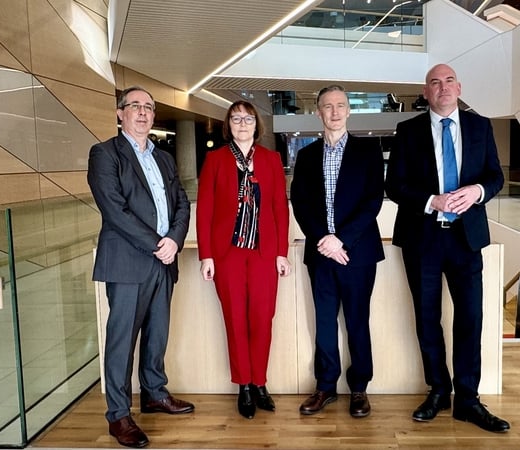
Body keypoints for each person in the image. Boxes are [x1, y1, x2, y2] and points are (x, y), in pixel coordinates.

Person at [385, 64, 509, 433]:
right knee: (426, 319)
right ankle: (438, 390)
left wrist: (477, 191)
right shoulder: (407, 131)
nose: (443, 87)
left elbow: (495, 176)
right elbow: (395, 186)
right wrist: (430, 200)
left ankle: (468, 400)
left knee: (470, 317)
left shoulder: (480, 126)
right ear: (426, 92)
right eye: (435, 83)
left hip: (466, 239)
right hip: (423, 237)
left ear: (459, 87)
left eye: (449, 81)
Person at [88, 86, 193, 448]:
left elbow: (181, 203)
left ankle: (154, 393)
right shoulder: (105, 154)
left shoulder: (163, 157)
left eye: (149, 107)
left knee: (157, 333)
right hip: (129, 261)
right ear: (120, 114)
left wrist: (174, 241)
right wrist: (156, 244)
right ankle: (118, 415)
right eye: (135, 106)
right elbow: (115, 210)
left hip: (164, 259)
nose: (143, 112)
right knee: (121, 341)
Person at [290, 85, 385, 418]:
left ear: (348, 111)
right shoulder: (306, 155)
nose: (334, 111)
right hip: (321, 253)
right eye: (327, 106)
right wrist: (324, 239)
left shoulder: (368, 150)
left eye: (340, 105)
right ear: (318, 112)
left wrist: (341, 239)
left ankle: (359, 388)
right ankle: (325, 386)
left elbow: (373, 200)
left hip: (357, 252)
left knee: (358, 321)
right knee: (325, 322)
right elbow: (300, 204)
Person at [196, 100, 291, 419]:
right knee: (235, 319)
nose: (242, 123)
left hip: (264, 252)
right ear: (228, 125)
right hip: (228, 254)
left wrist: (282, 252)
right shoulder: (215, 160)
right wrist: (206, 255)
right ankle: (244, 386)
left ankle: (260, 382)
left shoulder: (271, 159)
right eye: (235, 119)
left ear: (256, 124)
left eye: (247, 119)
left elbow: (280, 207)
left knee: (262, 319)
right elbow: (205, 209)